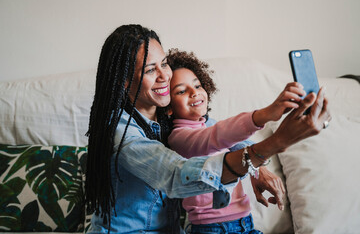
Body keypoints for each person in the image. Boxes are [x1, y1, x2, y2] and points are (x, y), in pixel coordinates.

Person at [85, 24, 331, 234]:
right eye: (150, 70)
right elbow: (176, 175)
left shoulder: (167, 115)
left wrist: (256, 169)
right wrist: (273, 143)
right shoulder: (120, 132)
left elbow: (215, 133)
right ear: (123, 81)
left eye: (165, 64)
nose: (165, 76)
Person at [166, 49, 305, 233]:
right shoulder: (179, 138)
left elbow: (242, 144)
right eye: (182, 91)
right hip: (211, 228)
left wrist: (257, 170)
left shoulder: (208, 126)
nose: (194, 92)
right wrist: (264, 114)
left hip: (245, 222)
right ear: (168, 107)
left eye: (198, 86)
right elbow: (217, 136)